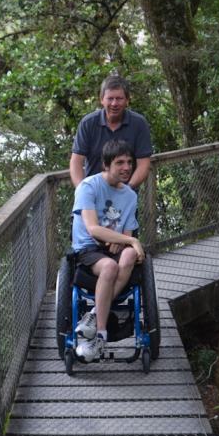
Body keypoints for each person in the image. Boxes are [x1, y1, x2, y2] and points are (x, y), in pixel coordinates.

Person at [71, 140, 146, 362]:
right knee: (111, 266)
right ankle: (101, 334)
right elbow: (93, 229)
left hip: (115, 247)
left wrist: (126, 243)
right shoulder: (89, 186)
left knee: (130, 255)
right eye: (120, 162)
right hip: (89, 247)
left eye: (130, 162)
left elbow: (128, 233)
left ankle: (93, 316)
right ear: (106, 165)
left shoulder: (130, 195)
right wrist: (128, 241)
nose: (126, 167)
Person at [69, 75, 153, 189]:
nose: (114, 103)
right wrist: (82, 191)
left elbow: (143, 163)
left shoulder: (139, 124)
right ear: (102, 99)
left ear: (127, 100)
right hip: (93, 194)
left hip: (125, 194)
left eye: (119, 98)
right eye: (110, 98)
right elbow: (76, 162)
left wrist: (127, 190)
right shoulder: (88, 123)